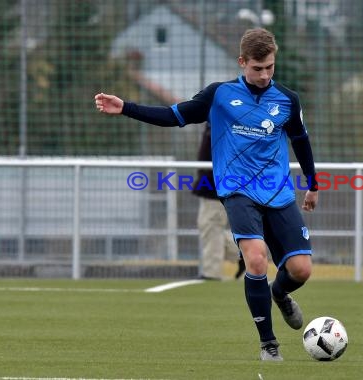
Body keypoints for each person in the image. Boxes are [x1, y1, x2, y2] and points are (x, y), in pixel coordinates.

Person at [95, 28, 319, 362]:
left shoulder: (287, 99)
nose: (264, 74)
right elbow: (174, 115)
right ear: (242, 62)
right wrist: (126, 107)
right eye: (257, 68)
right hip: (237, 191)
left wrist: (312, 183)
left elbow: (300, 140)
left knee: (301, 269)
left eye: (270, 67)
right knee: (256, 258)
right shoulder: (220, 95)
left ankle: (280, 294)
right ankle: (269, 345)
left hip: (279, 191)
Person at [192, 123, 245, 280]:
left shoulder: (224, 123)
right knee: (210, 227)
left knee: (211, 226)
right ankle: (245, 253)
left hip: (217, 185)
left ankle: (211, 273)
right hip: (212, 184)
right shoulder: (217, 122)